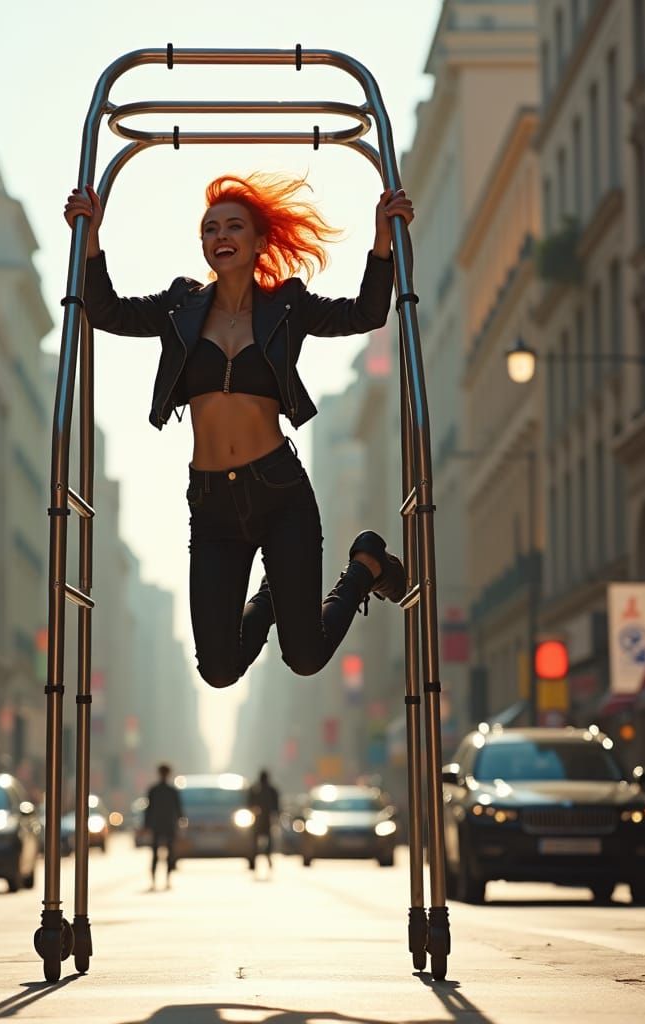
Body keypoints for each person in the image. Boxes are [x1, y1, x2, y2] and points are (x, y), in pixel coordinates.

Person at [63, 174, 414, 689]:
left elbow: (365, 314)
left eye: (233, 226)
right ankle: (274, 593)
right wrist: (90, 238)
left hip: (279, 490)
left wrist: (383, 240)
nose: (220, 236)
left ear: (257, 241)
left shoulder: (287, 304)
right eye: (210, 228)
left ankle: (365, 564)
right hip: (212, 505)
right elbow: (107, 312)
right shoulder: (180, 304)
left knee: (306, 656)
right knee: (219, 669)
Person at [144, 764, 183, 890]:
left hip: (158, 825)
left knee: (156, 854)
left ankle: (156, 881)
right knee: (169, 854)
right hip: (168, 825)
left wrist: (146, 825)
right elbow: (179, 809)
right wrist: (181, 821)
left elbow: (148, 810)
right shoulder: (172, 791)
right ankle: (166, 880)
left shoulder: (154, 790)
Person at [247, 769, 280, 872]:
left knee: (261, 842)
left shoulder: (266, 790)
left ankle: (262, 857)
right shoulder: (258, 790)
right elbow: (250, 803)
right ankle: (254, 859)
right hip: (259, 819)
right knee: (256, 842)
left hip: (264, 819)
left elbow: (276, 805)